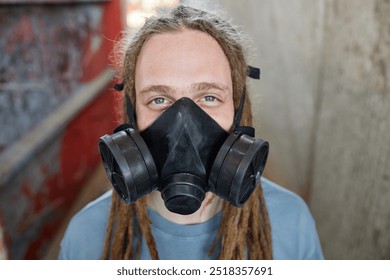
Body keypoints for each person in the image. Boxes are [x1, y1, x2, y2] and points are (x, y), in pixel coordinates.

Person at [59, 5, 323, 260]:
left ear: (238, 108)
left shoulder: (291, 222)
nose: (183, 123)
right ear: (133, 115)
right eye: (159, 100)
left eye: (209, 97)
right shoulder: (86, 237)